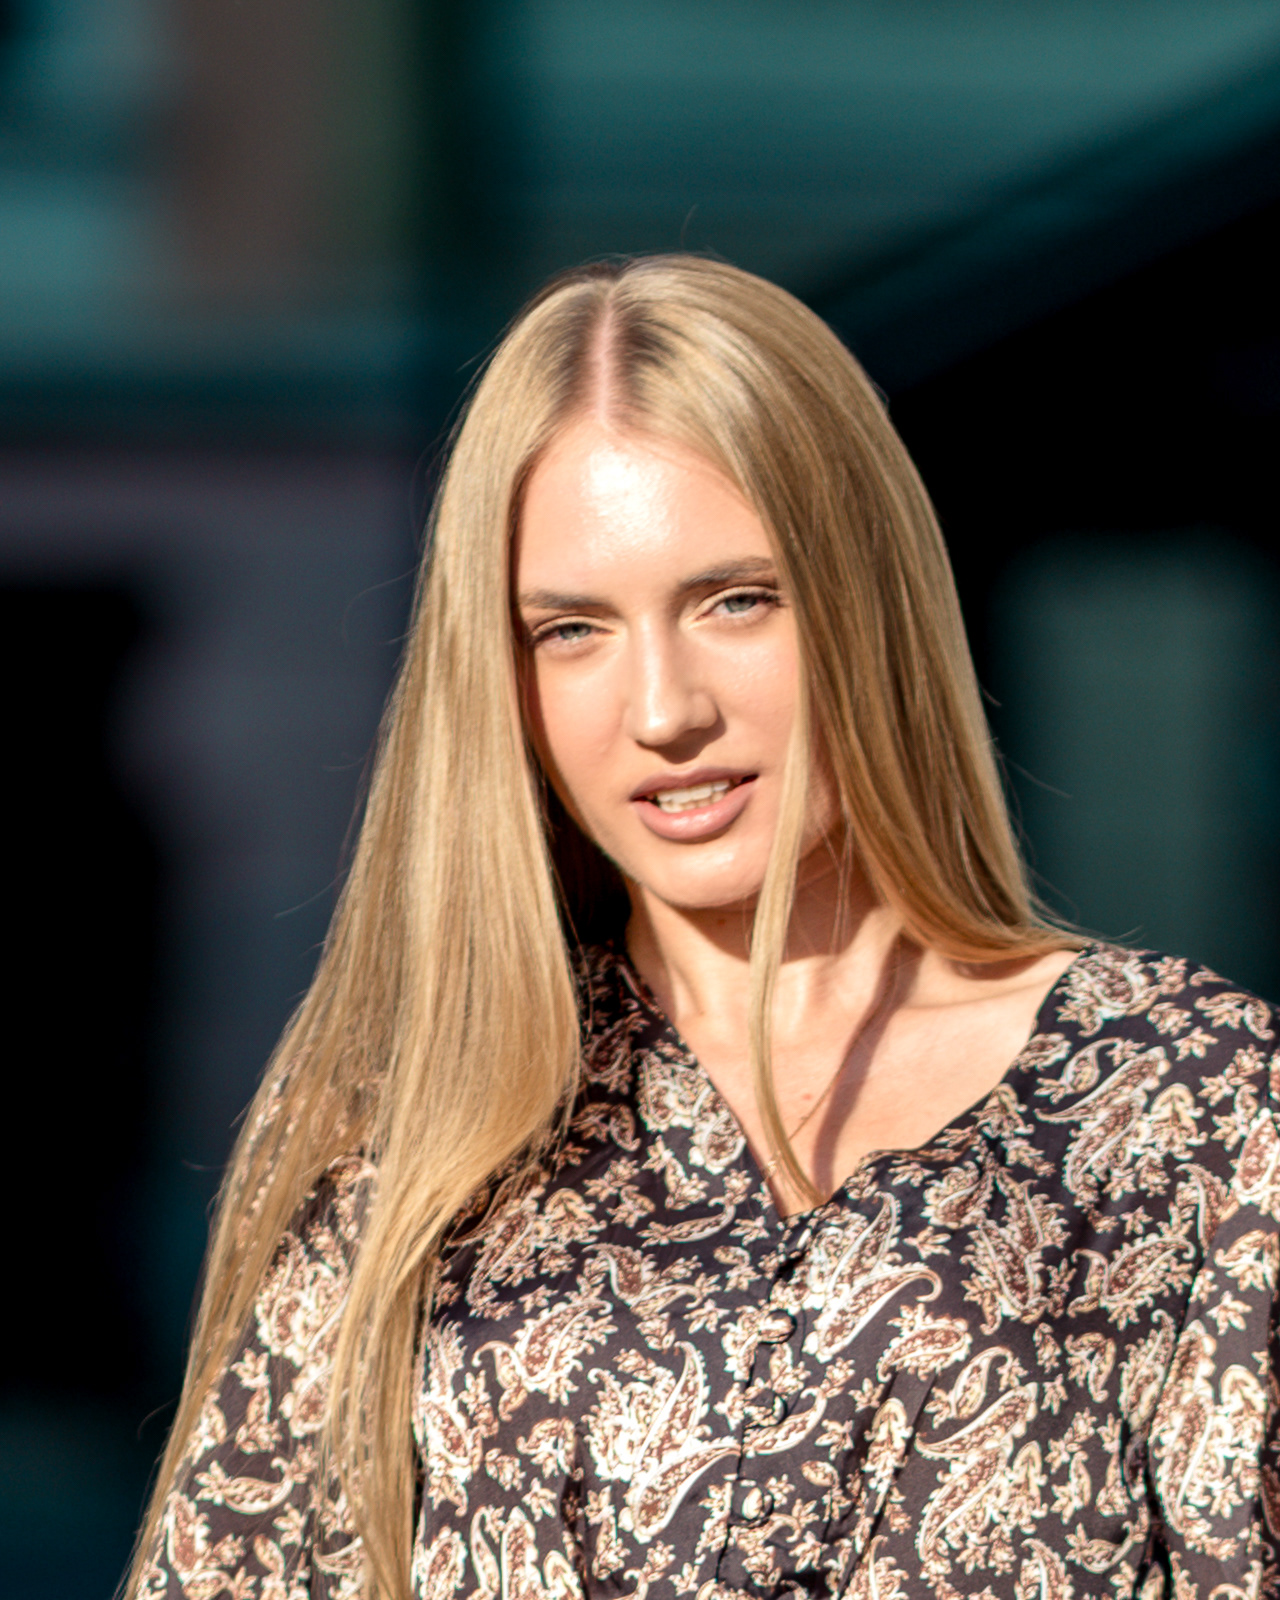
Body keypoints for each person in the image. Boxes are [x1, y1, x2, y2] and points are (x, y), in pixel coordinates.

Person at [129, 256, 1280, 1600]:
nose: (665, 709)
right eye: (572, 629)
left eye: (737, 600)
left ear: (869, 603)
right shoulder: (400, 1119)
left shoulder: (1197, 1106)